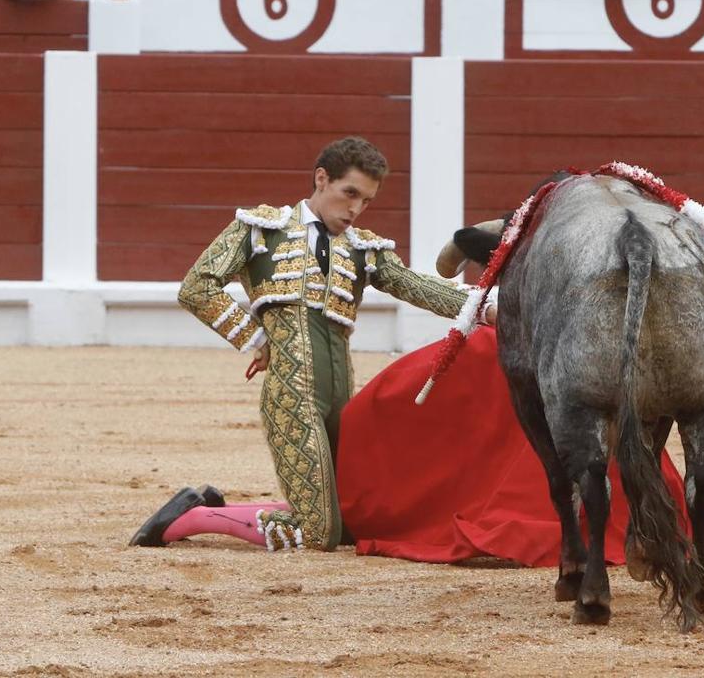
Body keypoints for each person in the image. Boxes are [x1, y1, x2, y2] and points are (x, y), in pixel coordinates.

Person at [130, 137, 482, 553]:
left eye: (366, 201)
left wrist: (490, 306)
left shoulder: (362, 248)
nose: (355, 210)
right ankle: (190, 519)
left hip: (340, 398)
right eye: (349, 193)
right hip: (292, 394)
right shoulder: (262, 228)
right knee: (319, 535)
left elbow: (416, 286)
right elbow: (196, 288)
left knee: (349, 519)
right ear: (321, 179)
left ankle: (221, 506)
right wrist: (253, 337)